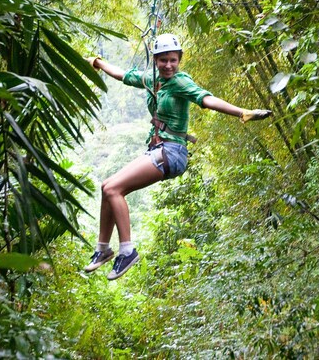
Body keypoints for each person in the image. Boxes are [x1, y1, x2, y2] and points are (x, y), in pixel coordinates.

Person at [83, 33, 271, 280]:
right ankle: (103, 249)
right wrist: (97, 62)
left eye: (172, 60)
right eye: (162, 60)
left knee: (114, 189)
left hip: (173, 152)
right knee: (106, 186)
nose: (168, 65)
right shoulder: (151, 80)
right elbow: (122, 75)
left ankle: (127, 251)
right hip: (157, 149)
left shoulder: (181, 82)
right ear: (155, 61)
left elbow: (207, 99)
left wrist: (242, 112)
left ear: (179, 60)